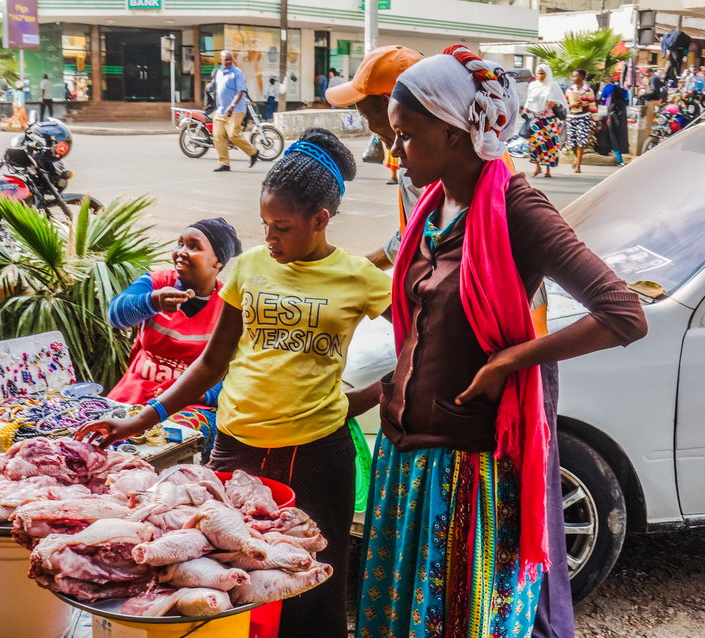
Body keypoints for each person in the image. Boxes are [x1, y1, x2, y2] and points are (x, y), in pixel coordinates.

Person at [352, 44, 648, 638]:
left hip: (469, 469)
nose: (394, 151)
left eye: (406, 135)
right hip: (408, 458)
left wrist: (512, 358)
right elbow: (430, 333)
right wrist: (360, 398)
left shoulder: (516, 207)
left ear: (455, 133)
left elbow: (623, 314)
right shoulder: (434, 208)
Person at [76, 128, 392, 638]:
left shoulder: (360, 277)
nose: (269, 238)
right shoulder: (248, 268)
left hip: (317, 456)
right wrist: (142, 417)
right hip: (236, 448)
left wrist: (386, 390)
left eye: (282, 227)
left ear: (320, 220)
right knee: (224, 588)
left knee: (310, 589)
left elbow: (424, 332)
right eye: (265, 224)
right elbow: (212, 362)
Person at [106, 218, 242, 459]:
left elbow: (236, 373)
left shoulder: (228, 305)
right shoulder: (156, 283)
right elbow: (116, 315)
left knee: (162, 448)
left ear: (217, 261)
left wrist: (199, 394)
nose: (181, 252)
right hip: (134, 393)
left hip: (189, 404)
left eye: (194, 246)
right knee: (103, 442)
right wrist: (153, 301)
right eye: (180, 244)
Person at [325, 45, 426, 269]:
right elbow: (412, 235)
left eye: (365, 115)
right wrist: (359, 268)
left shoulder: (426, 170)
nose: (370, 128)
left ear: (389, 105)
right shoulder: (435, 156)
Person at [212, 50, 258, 172]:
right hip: (221, 109)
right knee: (217, 135)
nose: (228, 62)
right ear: (221, 60)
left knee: (233, 135)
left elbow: (240, 91)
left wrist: (232, 105)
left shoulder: (237, 73)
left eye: (230, 59)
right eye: (225, 59)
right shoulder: (219, 72)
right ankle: (224, 163)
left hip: (236, 109)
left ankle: (253, 152)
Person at [524, 64, 566, 178]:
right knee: (535, 142)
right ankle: (537, 167)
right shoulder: (532, 85)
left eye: (542, 73)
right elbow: (529, 99)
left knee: (549, 144)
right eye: (538, 73)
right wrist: (526, 108)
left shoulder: (553, 86)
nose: (540, 76)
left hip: (549, 121)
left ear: (547, 74)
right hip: (536, 119)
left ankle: (548, 170)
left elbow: (560, 100)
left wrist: (553, 103)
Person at [566, 68, 597, 174]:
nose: (574, 78)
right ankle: (577, 159)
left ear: (582, 77)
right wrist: (573, 105)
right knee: (571, 143)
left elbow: (592, 106)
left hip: (584, 117)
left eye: (576, 76)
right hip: (571, 117)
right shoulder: (569, 89)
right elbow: (565, 104)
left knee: (581, 141)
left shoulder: (588, 91)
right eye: (573, 76)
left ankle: (578, 165)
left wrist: (596, 121)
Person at [598, 81, 630, 166]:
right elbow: (627, 100)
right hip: (620, 120)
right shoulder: (623, 92)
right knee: (620, 139)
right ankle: (619, 158)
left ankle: (618, 159)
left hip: (612, 119)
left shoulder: (609, 89)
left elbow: (603, 100)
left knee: (613, 139)